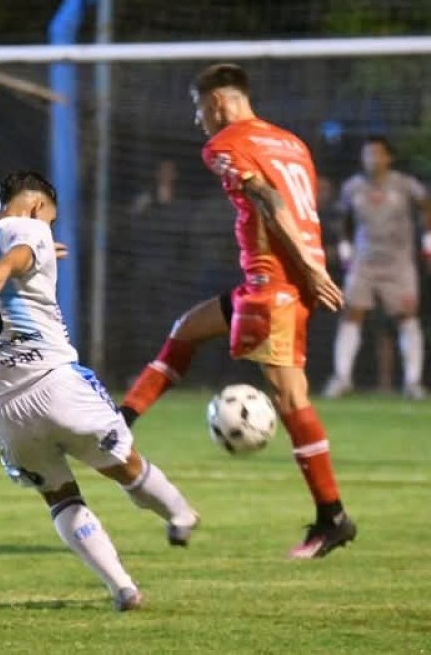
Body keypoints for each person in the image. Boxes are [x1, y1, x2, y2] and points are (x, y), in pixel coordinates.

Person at [119, 63, 356, 559]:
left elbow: (270, 200)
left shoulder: (225, 145)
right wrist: (312, 265)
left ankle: (332, 517)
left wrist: (310, 270)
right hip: (276, 279)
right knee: (187, 329)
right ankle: (121, 421)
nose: (199, 121)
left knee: (290, 399)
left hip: (278, 282)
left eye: (199, 109)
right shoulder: (291, 143)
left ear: (220, 104)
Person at [0, 170, 200, 612]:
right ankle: (180, 516)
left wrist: (23, 258)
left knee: (59, 496)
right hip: (55, 384)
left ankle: (122, 587)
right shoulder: (28, 230)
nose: (48, 230)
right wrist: (13, 263)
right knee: (125, 465)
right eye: (49, 220)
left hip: (1, 405)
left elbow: (18, 252)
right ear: (35, 208)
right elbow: (22, 251)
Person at [323, 135, 431, 400]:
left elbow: (427, 208)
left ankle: (413, 382)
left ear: (388, 157)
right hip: (364, 262)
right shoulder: (353, 187)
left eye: (377, 154)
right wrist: (345, 249)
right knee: (352, 313)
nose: (372, 159)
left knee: (407, 317)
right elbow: (343, 219)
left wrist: (430, 244)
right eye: (367, 154)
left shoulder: (405, 184)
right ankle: (342, 378)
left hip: (399, 263)